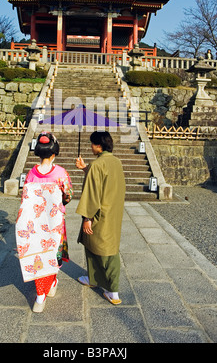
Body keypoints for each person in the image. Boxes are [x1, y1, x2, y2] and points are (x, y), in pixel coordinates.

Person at [16, 131, 73, 313]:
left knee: (38, 253)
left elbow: (26, 197)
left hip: (34, 221)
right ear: (54, 153)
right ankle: (42, 294)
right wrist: (60, 202)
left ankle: (46, 287)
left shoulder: (31, 174)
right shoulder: (61, 173)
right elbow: (68, 195)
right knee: (53, 251)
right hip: (54, 219)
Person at [75, 131, 126, 305]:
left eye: (92, 144)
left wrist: (87, 217)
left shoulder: (97, 164)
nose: (91, 147)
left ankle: (113, 291)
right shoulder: (116, 162)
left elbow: (92, 193)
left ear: (98, 145)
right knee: (95, 245)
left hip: (98, 213)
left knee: (106, 252)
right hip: (113, 211)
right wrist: (85, 169)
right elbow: (105, 180)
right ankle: (93, 279)